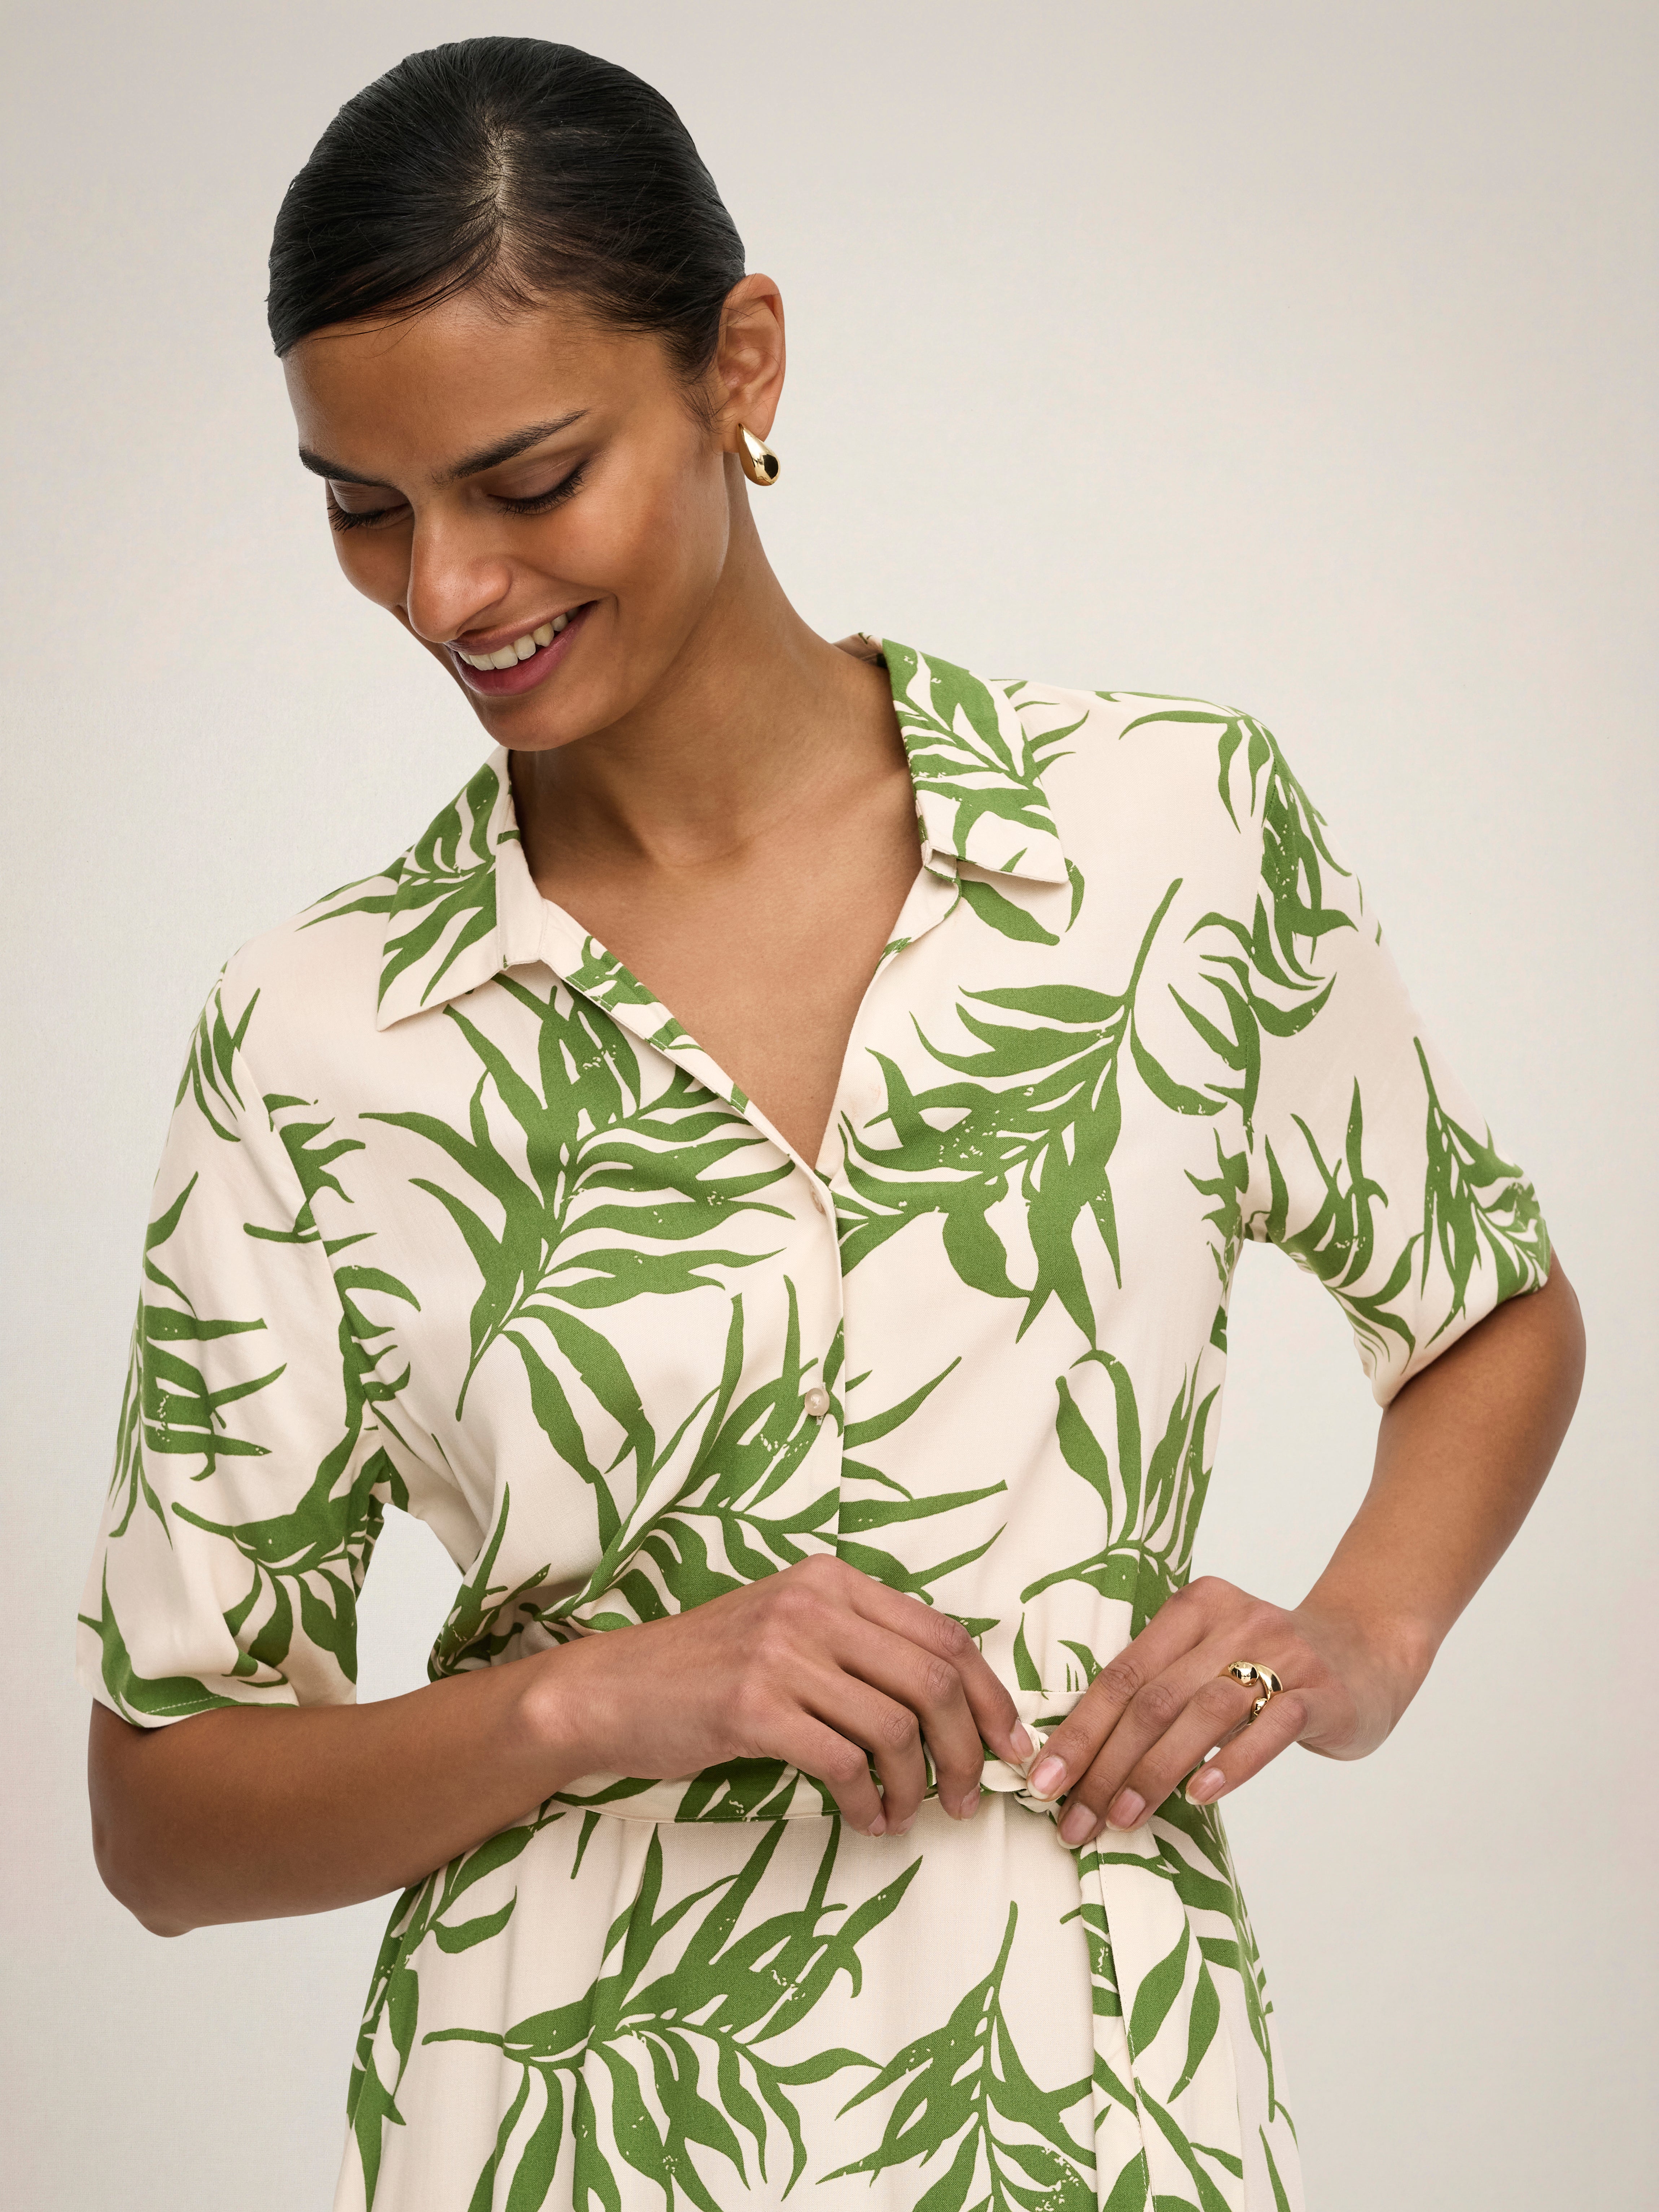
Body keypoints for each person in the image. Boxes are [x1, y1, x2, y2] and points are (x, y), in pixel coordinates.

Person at [79, 35, 1584, 2212]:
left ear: (740, 366)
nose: (444, 591)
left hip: (1107, 2127)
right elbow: (161, 1819)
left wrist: (1364, 1634)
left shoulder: (1164, 834)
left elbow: (1484, 1309)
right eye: (362, 506)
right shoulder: (316, 1039)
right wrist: (586, 1701)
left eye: (526, 480)